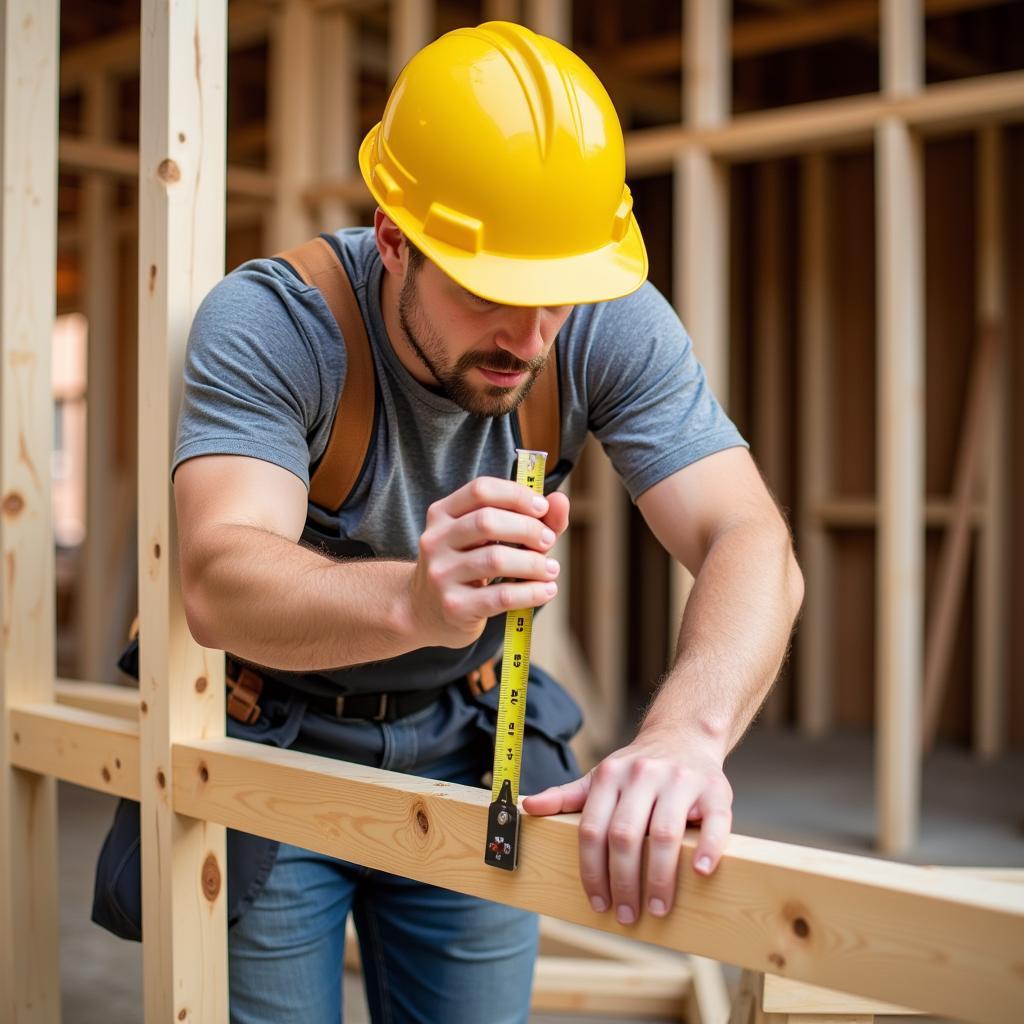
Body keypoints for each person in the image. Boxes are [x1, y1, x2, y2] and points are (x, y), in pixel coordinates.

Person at [168, 19, 803, 1024]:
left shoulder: (603, 315)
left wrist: (687, 733)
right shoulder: (276, 323)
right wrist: (414, 598)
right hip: (273, 737)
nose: (530, 337)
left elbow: (747, 537)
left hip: (474, 741)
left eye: (556, 296)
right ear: (392, 240)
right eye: (492, 293)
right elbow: (215, 578)